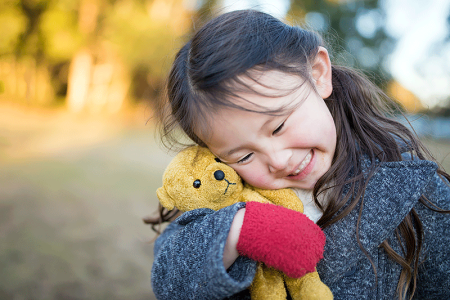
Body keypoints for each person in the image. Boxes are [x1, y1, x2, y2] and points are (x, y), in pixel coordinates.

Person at [146, 9, 450, 300]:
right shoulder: (224, 196)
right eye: (243, 156)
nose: (277, 161)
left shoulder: (415, 191)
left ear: (318, 74)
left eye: (278, 126)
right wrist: (240, 229)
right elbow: (170, 281)